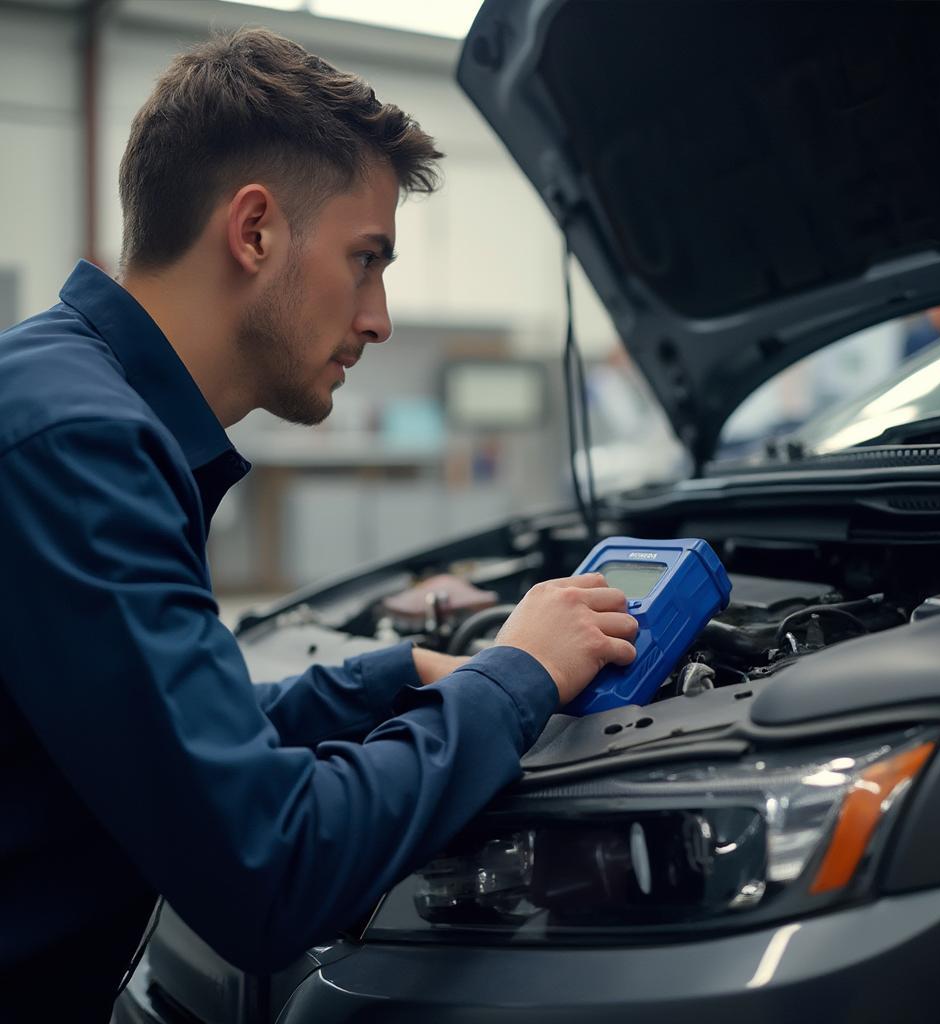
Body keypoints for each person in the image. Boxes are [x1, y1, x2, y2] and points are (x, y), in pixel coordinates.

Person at [0, 28, 638, 1021]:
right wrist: (517, 677)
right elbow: (270, 867)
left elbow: (146, 741)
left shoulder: (57, 396)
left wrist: (382, 681)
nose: (379, 317)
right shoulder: (79, 447)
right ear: (254, 230)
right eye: (366, 259)